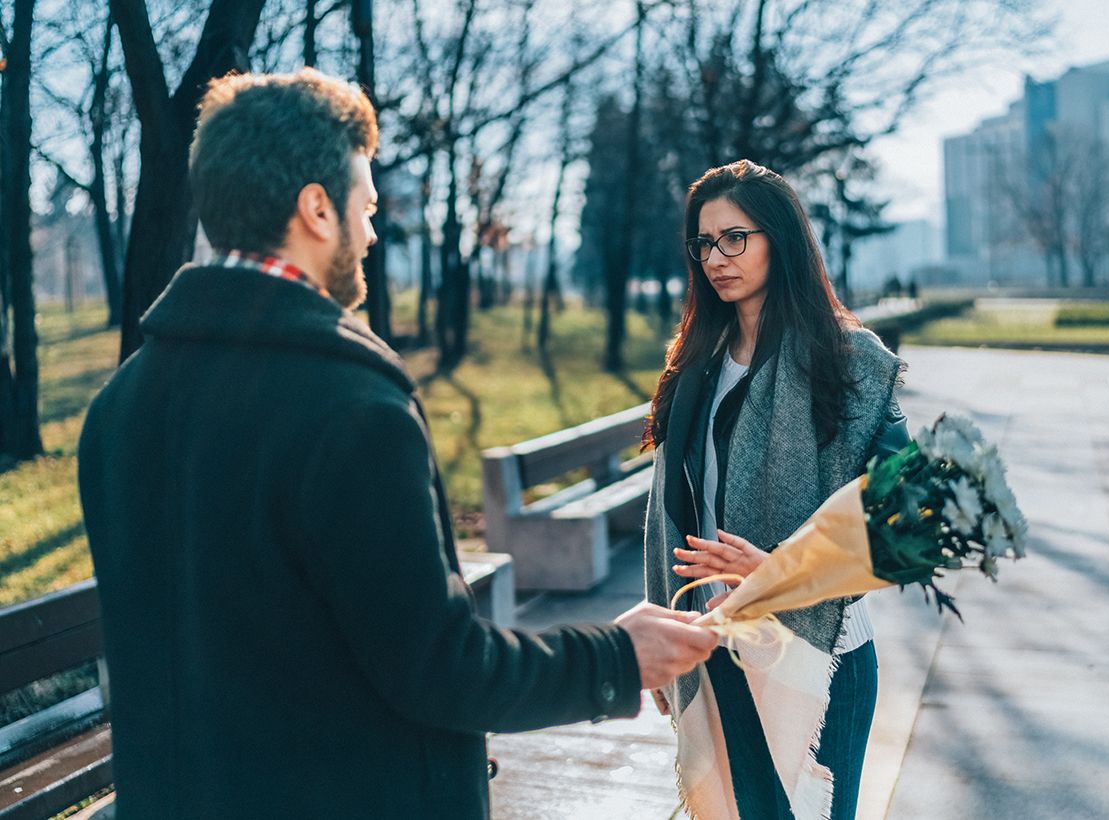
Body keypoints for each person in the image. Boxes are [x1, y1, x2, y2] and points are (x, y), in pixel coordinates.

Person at [77, 69, 717, 820]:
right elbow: (439, 669)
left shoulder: (118, 407)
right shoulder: (349, 408)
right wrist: (618, 656)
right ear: (317, 209)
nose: (373, 232)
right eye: (365, 205)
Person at [642, 160, 909, 819]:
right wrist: (661, 625)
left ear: (779, 239)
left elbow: (909, 514)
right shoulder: (695, 363)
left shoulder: (849, 360)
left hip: (818, 660)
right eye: (703, 243)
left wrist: (784, 571)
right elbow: (673, 511)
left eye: (735, 237)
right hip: (715, 648)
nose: (716, 258)